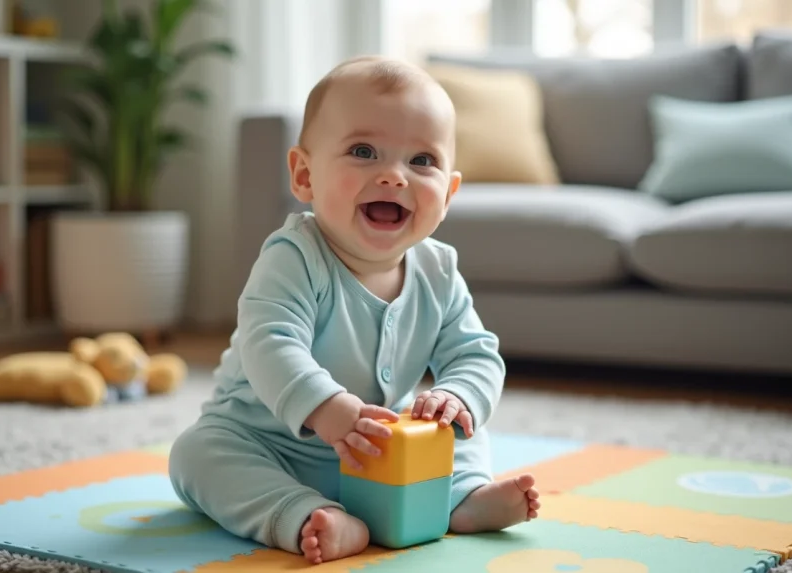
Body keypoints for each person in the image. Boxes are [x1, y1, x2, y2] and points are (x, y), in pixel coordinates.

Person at [168, 55, 541, 565]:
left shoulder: (438, 270)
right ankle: (302, 513)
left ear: (449, 194)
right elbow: (269, 340)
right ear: (304, 176)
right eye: (363, 152)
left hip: (380, 450)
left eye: (422, 161)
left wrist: (459, 396)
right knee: (195, 456)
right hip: (270, 444)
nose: (393, 176)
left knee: (463, 427)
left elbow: (476, 353)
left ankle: (462, 498)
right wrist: (325, 409)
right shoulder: (294, 257)